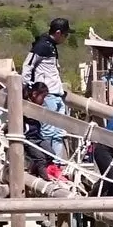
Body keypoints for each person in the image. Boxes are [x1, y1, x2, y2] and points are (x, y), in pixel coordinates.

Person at [24, 18, 71, 162]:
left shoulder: (52, 46)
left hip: (57, 94)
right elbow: (28, 66)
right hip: (47, 94)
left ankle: (56, 163)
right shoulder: (42, 46)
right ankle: (45, 162)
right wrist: (29, 87)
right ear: (58, 33)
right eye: (65, 34)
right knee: (48, 131)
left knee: (58, 133)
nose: (66, 38)